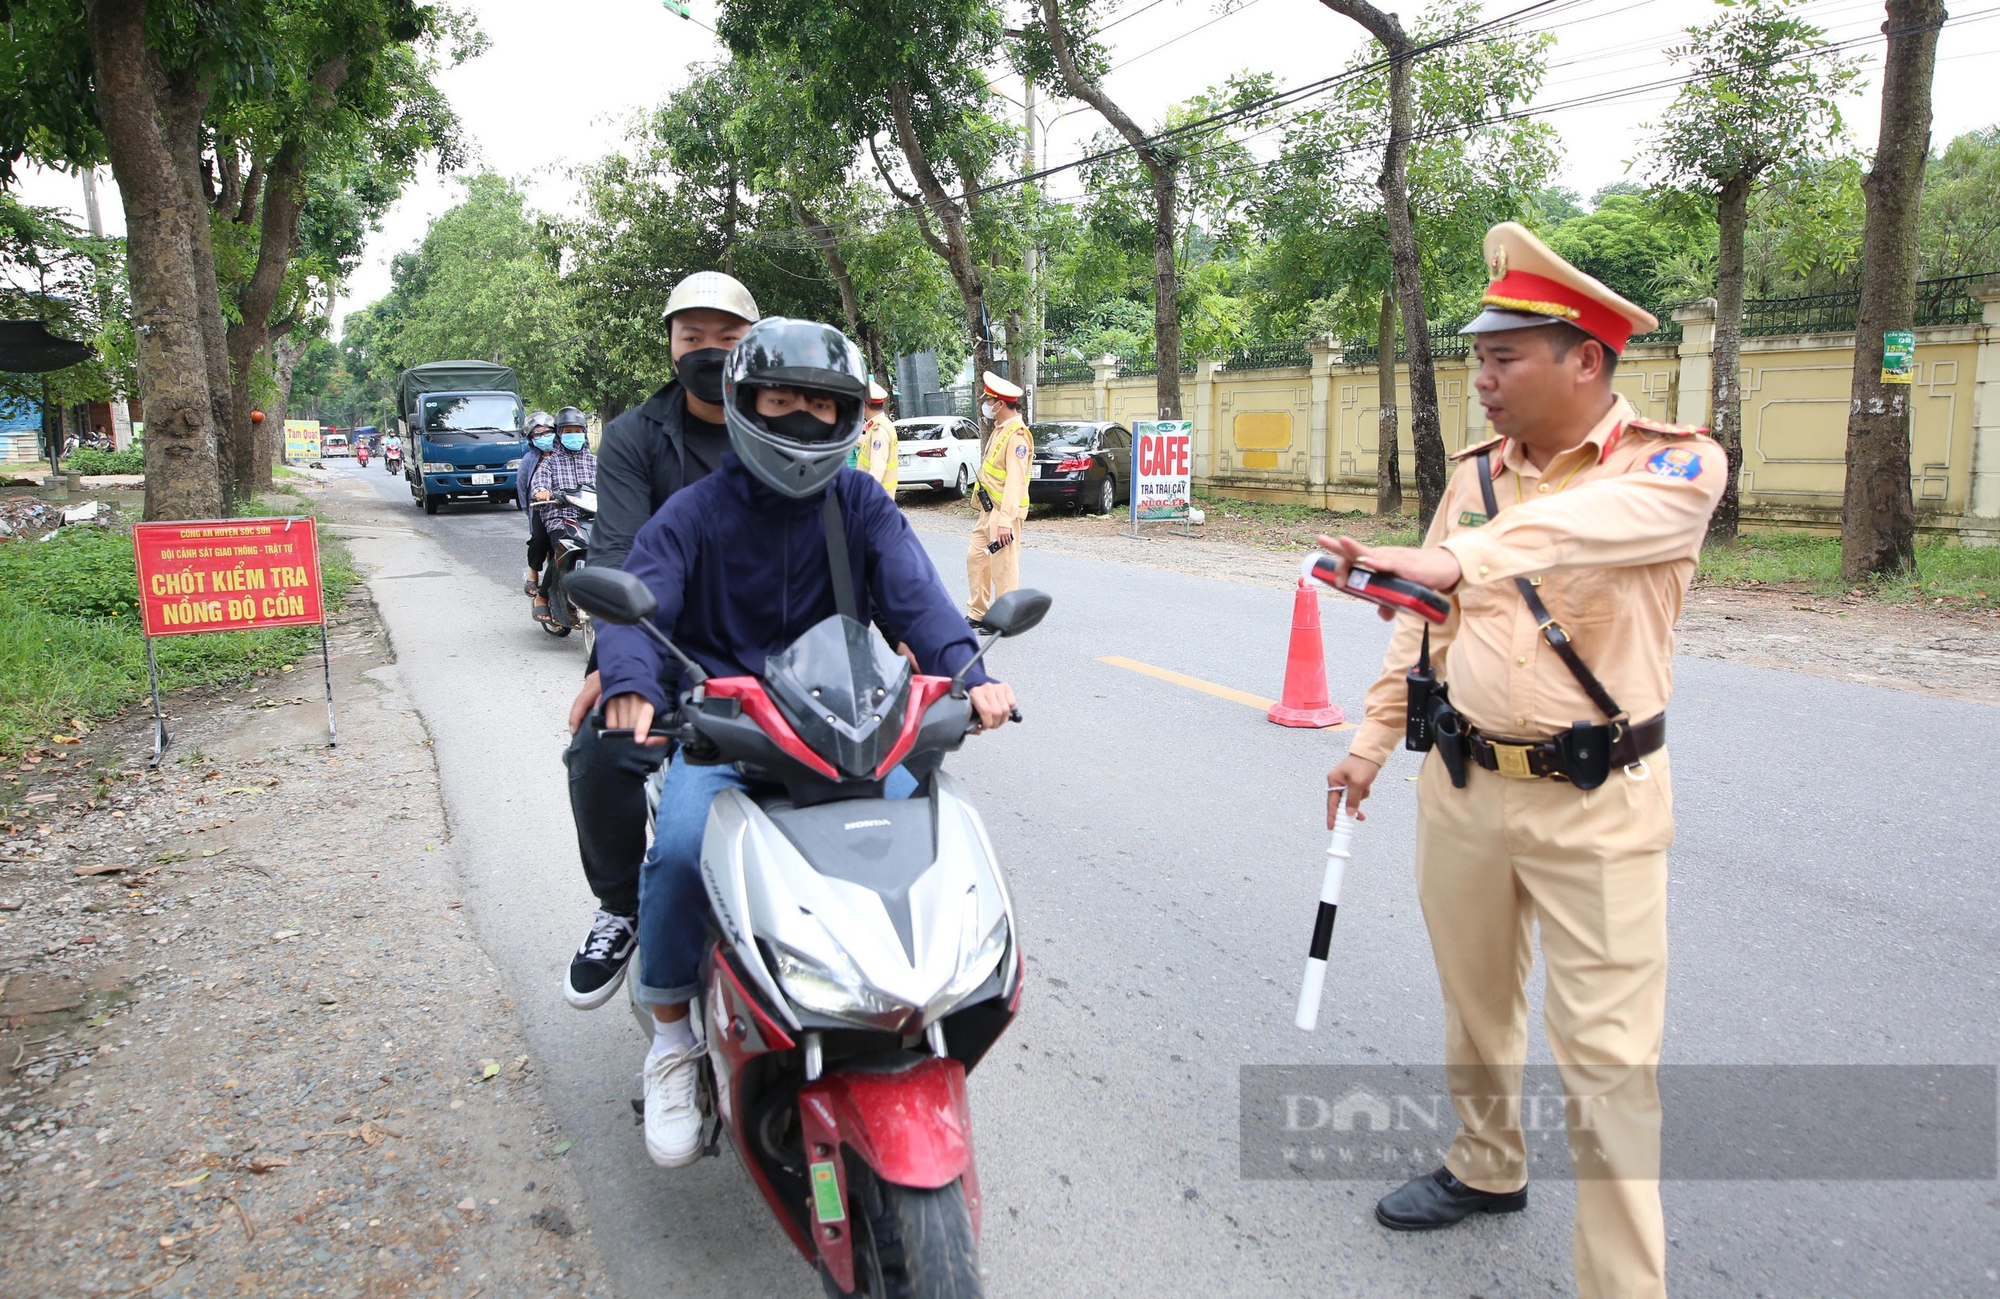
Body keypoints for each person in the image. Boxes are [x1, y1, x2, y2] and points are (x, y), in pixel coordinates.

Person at [1319, 223, 1722, 1299]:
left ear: (1583, 356)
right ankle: (1486, 1166)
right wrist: (1367, 743)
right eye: (1476, 358)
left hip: (1597, 801)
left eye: (1504, 359)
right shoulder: (1477, 476)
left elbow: (1568, 535)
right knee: (1474, 1001)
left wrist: (1455, 555)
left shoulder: (1672, 468)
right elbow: (1418, 621)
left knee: (1606, 1069)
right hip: (1459, 785)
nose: (1482, 379)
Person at [595, 316, 1017, 1168]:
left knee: (933, 839)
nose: (798, 420)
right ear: (743, 403)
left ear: (847, 417)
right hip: (727, 738)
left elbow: (920, 601)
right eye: (778, 399)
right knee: (677, 853)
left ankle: (904, 1004)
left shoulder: (859, 503)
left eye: (818, 405)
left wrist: (970, 676)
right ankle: (672, 1035)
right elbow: (639, 594)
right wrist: (632, 682)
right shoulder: (694, 511)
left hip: (847, 738)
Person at [558, 271, 760, 1011]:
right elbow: (614, 556)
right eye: (692, 337)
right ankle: (620, 905)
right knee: (598, 751)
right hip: (666, 648)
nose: (708, 352)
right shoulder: (637, 436)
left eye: (728, 339)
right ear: (670, 346)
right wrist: (613, 665)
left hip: (776, 653)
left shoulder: (784, 422)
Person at [965, 370, 1031, 624]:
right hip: (988, 510)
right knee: (977, 558)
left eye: (989, 401)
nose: (986, 405)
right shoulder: (1000, 429)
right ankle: (977, 613)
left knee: (1003, 566)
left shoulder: (1017, 435)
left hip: (1004, 513)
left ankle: (1006, 618)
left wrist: (1005, 520)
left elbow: (1015, 481)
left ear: (1000, 404)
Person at [529, 408, 596, 623]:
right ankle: (542, 596)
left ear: (584, 433)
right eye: (568, 431)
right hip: (561, 517)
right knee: (563, 548)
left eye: (577, 430)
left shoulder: (595, 462)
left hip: (593, 517)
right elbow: (539, 483)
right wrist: (542, 491)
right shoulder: (550, 462)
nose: (573, 435)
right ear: (560, 434)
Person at [518, 410, 557, 597]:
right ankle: (533, 575)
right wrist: (533, 514)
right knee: (539, 539)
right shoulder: (529, 461)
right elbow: (523, 492)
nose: (543, 437)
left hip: (569, 508)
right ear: (531, 438)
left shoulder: (565, 454)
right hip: (542, 510)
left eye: (547, 432)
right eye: (538, 434)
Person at [859, 380, 899, 496]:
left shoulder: (879, 430)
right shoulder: (882, 424)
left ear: (864, 406)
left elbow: (877, 469)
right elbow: (866, 442)